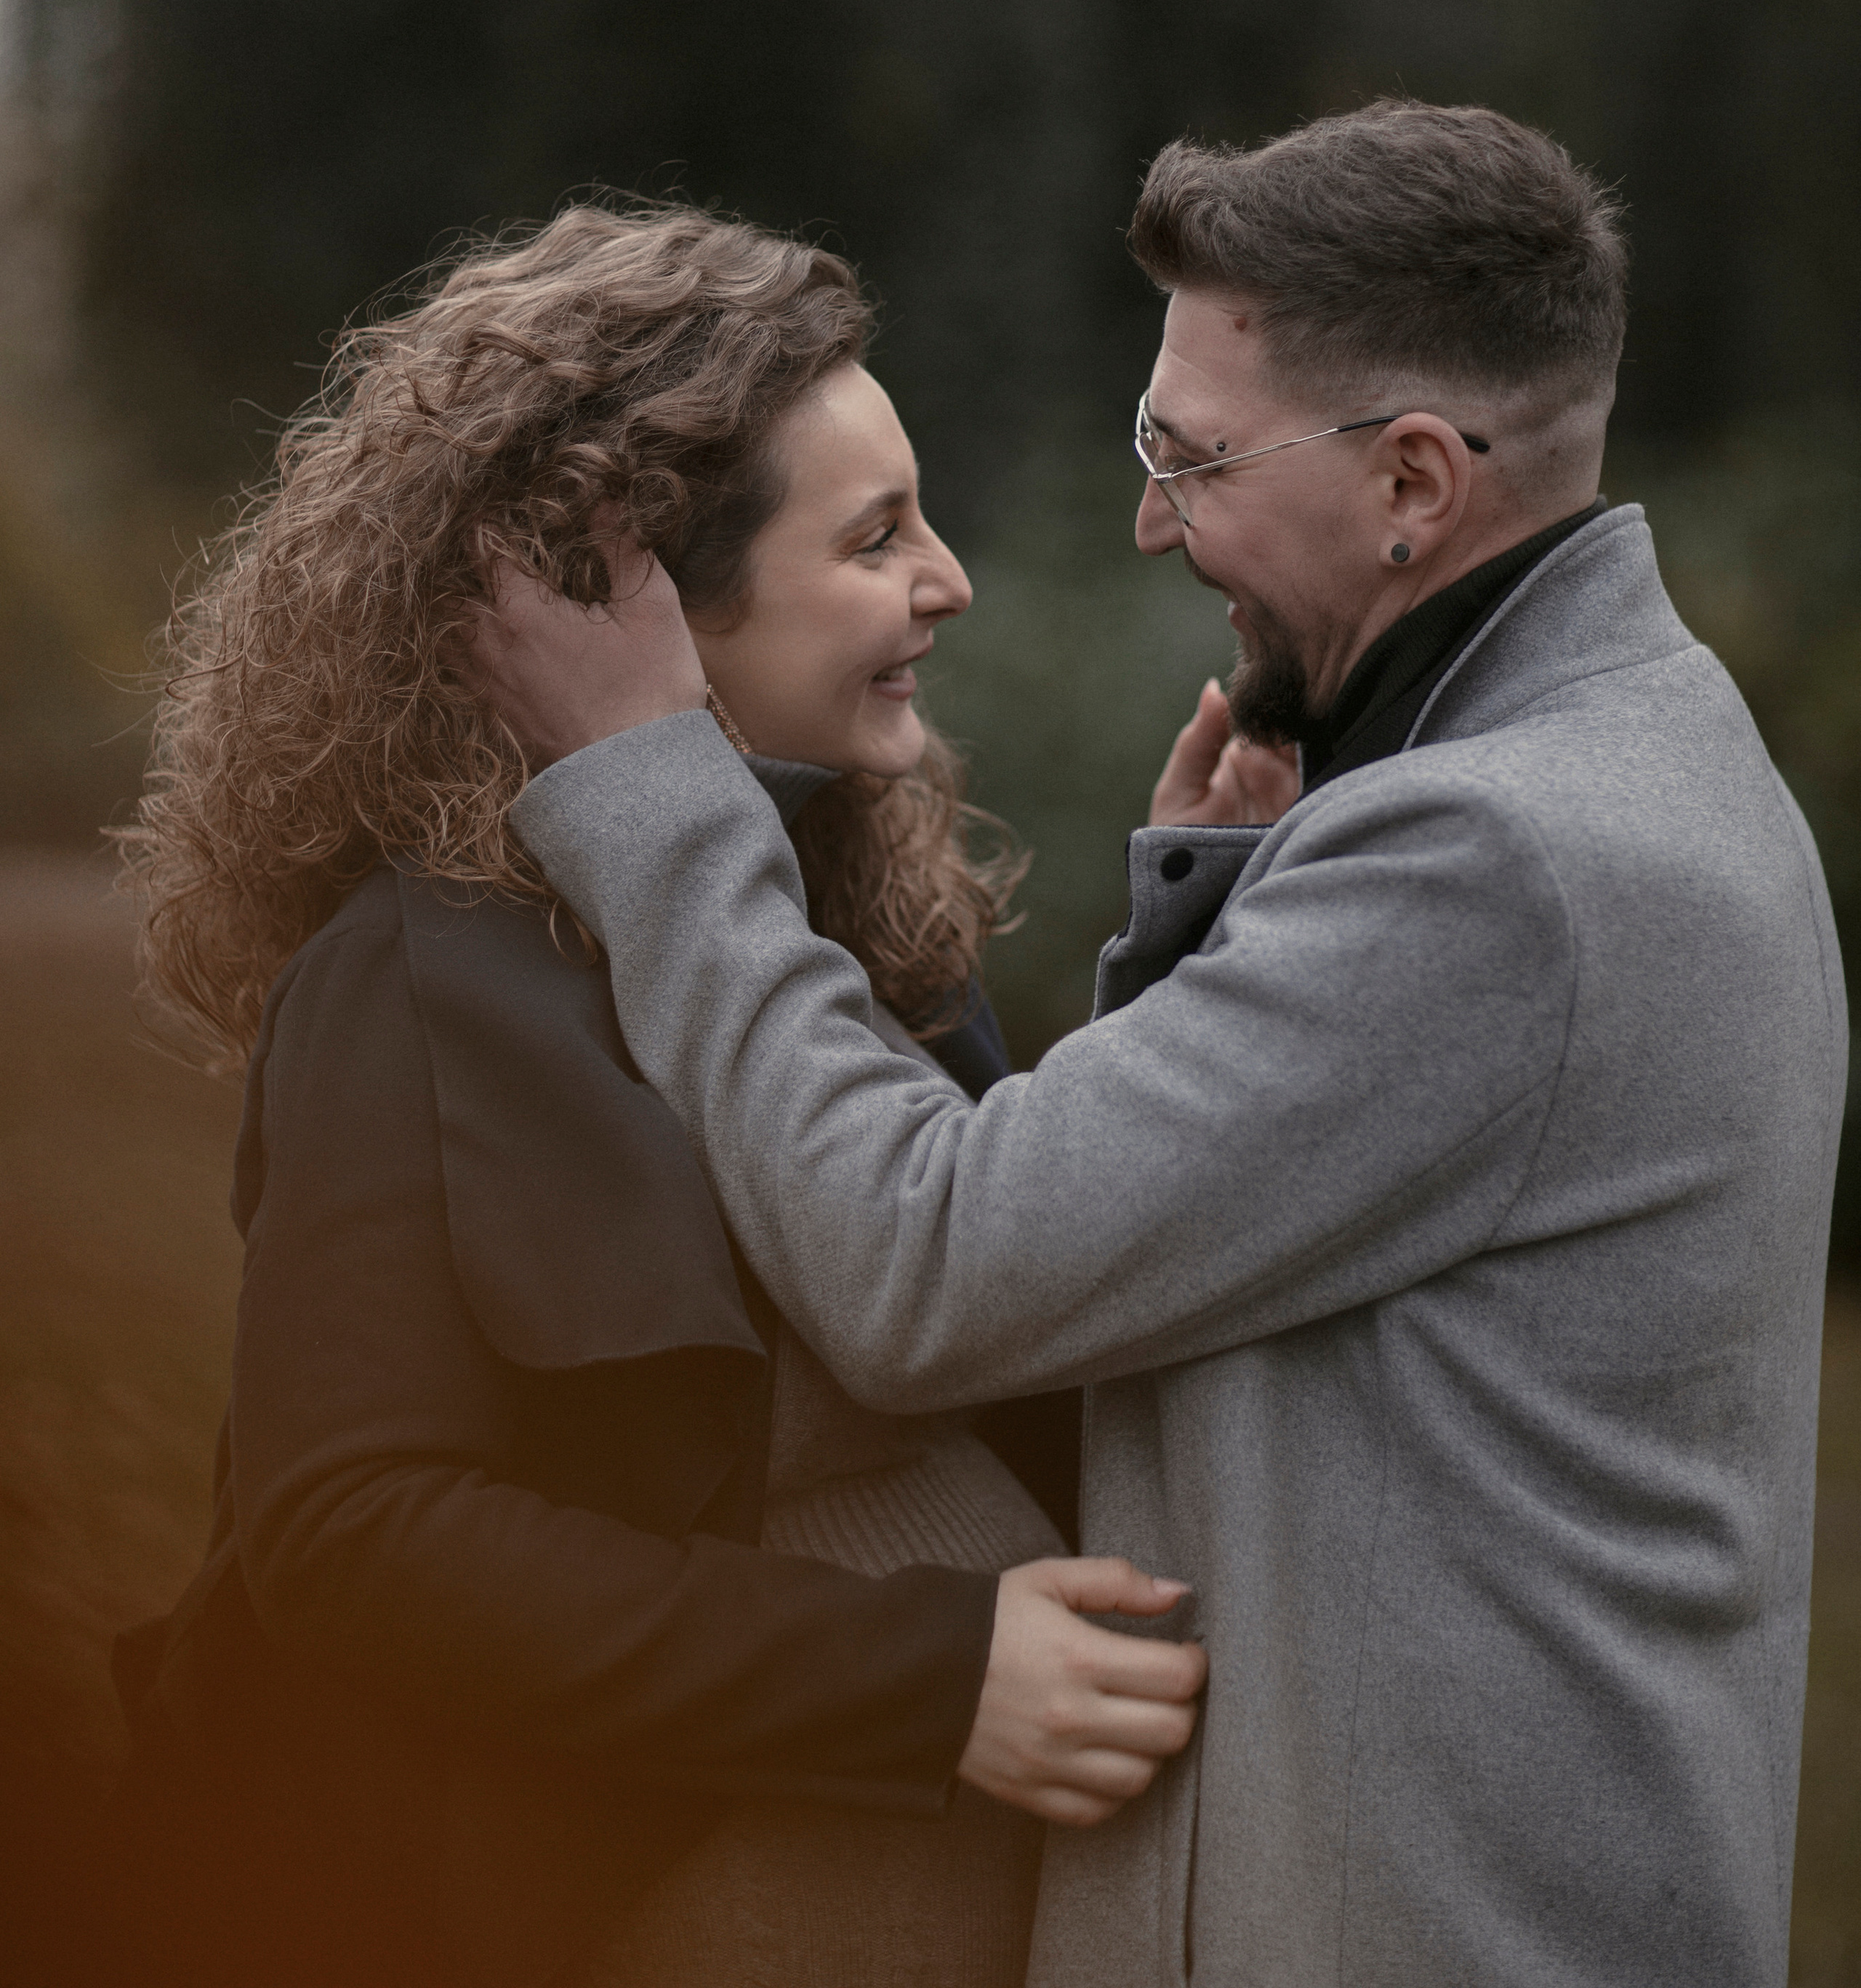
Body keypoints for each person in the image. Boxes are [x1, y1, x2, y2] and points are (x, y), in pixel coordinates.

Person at [467, 104, 1849, 1988]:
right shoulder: (1641, 754)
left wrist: (652, 796)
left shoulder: (1491, 863)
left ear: (1413, 485)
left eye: (1190, 458)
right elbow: (1282, 1251)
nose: (1148, 518)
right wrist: (1235, 932)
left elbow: (926, 1266)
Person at [103, 204, 1207, 1988]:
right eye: (874, 537)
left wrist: (1184, 975)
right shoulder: (418, 977)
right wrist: (926, 1684)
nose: (950, 580)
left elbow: (991, 1285)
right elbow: (350, 1531)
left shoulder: (857, 914)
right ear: (629, 599)